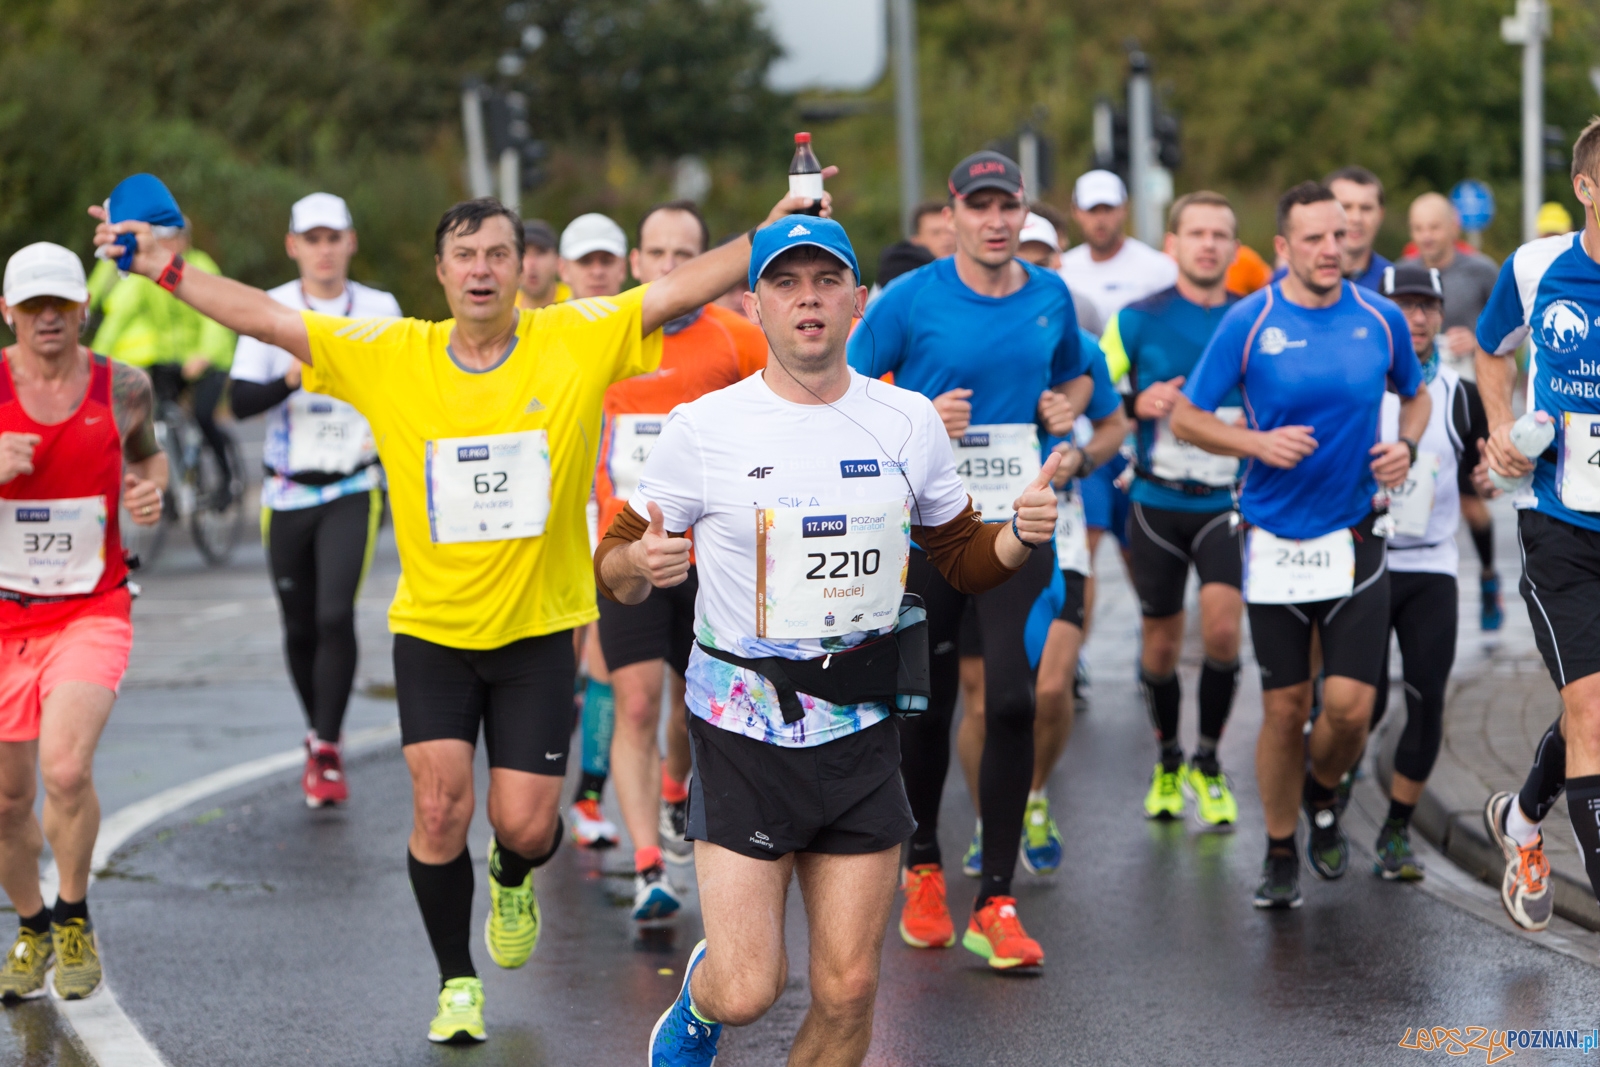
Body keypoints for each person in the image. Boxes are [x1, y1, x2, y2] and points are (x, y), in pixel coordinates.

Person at [93, 182, 823, 1043]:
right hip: (432, 631)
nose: (482, 270)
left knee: (523, 821)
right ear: (439, 272)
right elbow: (265, 319)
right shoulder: (392, 353)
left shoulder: (572, 339)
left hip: (539, 630)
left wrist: (776, 234)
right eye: (465, 256)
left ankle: (513, 870)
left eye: (499, 255)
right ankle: (456, 981)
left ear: (523, 269)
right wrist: (160, 268)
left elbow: (675, 290)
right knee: (438, 808)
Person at [597, 215, 1062, 1067]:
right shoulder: (705, 426)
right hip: (744, 730)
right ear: (755, 304)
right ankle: (703, 995)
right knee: (749, 989)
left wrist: (1018, 536)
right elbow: (614, 561)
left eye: (824, 281)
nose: (807, 298)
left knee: (849, 991)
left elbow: (960, 555)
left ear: (857, 299)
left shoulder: (907, 419)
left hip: (861, 724)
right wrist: (642, 561)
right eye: (785, 282)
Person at [849, 150, 1095, 970]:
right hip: (927, 531)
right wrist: (917, 414)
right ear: (951, 213)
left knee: (1016, 699)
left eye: (1008, 207)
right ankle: (922, 866)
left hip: (1016, 525)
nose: (995, 221)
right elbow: (838, 391)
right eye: (979, 206)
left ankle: (995, 896)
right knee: (924, 703)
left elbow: (1074, 381)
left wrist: (1068, 412)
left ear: (1023, 213)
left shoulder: (1051, 294)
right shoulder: (911, 298)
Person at [1171, 180, 1427, 909]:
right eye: (1313, 238)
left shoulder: (1378, 318)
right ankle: (1281, 847)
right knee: (1285, 708)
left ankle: (1323, 794)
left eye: (1339, 235)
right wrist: (1255, 441)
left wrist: (1404, 444)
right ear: (1282, 247)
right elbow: (1188, 418)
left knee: (1349, 706)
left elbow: (1418, 391)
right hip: (1274, 537)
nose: (1329, 249)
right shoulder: (1251, 322)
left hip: (1355, 531)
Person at [0, 242, 167, 1002]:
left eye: (59, 304)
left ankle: (72, 912)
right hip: (4, 619)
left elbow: (148, 460)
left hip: (90, 608)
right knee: (6, 799)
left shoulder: (124, 386)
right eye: (32, 306)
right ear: (7, 312)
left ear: (82, 308)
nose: (47, 318)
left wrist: (147, 491)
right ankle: (31, 923)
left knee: (66, 768)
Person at [596, 199, 767, 922]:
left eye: (684, 255)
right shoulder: (600, 339)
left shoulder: (737, 339)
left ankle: (676, 787)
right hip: (627, 549)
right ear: (636, 264)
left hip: (713, 559)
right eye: (657, 254)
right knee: (635, 702)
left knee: (691, 710)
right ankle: (646, 868)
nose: (670, 268)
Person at [229, 192, 402, 807]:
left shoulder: (379, 308)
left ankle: (327, 747)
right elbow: (239, 400)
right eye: (313, 239)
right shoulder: (273, 308)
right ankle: (315, 729)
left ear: (351, 242)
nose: (324, 250)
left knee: (334, 614)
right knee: (299, 623)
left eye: (335, 238)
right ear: (293, 245)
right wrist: (293, 374)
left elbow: (400, 386)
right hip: (285, 489)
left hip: (353, 484)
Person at [1479, 118, 1600, 934]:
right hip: (1560, 524)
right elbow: (1493, 348)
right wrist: (1497, 422)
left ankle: (1523, 819)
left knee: (1592, 706)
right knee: (1593, 712)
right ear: (1587, 188)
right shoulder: (1534, 266)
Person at [953, 332, 1127, 878]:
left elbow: (1115, 426)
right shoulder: (953, 331)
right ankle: (988, 820)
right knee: (983, 704)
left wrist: (1079, 456)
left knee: (1050, 691)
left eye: (1045, 256)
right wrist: (934, 417)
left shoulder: (1075, 348)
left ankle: (1031, 796)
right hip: (972, 535)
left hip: (1060, 535)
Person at [1101, 191, 1246, 827]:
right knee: (1160, 647)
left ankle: (1208, 761)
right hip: (1157, 500)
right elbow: (1095, 393)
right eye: (1196, 233)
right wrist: (1139, 401)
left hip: (1229, 501)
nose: (1208, 244)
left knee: (1220, 631)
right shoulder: (1136, 318)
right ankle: (1168, 755)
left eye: (1220, 234)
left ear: (1235, 248)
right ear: (1173, 245)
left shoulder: (1255, 314)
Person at [1366, 260, 1480, 881]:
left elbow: (1484, 472)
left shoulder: (1459, 393)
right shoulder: (1355, 382)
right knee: (1355, 703)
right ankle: (1323, 798)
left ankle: (1395, 831)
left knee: (1426, 699)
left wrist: (1491, 477)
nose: (1417, 317)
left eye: (1426, 306)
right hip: (1361, 561)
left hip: (1432, 566)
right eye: (1404, 305)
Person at [89, 188, 238, 499]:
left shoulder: (202, 265)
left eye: (175, 237)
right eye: (164, 237)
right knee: (155, 416)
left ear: (187, 240)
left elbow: (216, 316)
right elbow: (120, 315)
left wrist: (206, 354)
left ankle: (227, 479)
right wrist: (94, 362)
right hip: (173, 361)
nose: (170, 244)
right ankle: (171, 482)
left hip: (210, 358)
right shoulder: (152, 272)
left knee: (203, 414)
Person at [561, 210, 632, 853]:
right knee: (568, 660)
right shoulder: (545, 334)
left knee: (604, 659)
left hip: (615, 517)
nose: (597, 272)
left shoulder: (640, 331)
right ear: (566, 271)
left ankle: (588, 795)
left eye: (606, 260)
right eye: (586, 262)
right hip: (557, 515)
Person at [1403, 192, 1503, 630]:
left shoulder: (1480, 270)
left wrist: (1476, 339)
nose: (1427, 236)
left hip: (1469, 394)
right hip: (1418, 395)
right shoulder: (1403, 273)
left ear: (1453, 229)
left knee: (1472, 503)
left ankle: (1486, 574)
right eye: (1419, 228)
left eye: (1434, 226)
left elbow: (1509, 332)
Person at [1058, 169, 1178, 326]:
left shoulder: (1159, 269)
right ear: (1075, 211)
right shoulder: (1061, 269)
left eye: (1108, 209)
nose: (1100, 219)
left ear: (1124, 209)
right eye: (1092, 210)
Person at [1020, 212, 1103, 335]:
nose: (1033, 274)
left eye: (1041, 264)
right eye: (1022, 265)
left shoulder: (1080, 309)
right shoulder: (988, 313)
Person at [1324, 165, 1392, 289]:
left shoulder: (1396, 284)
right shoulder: (1289, 281)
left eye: (1366, 208)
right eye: (1345, 207)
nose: (1356, 218)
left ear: (1381, 215)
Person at [516, 219, 571, 309]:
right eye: (523, 253)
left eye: (540, 252)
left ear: (557, 261)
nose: (531, 263)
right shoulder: (504, 308)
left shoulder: (576, 300)